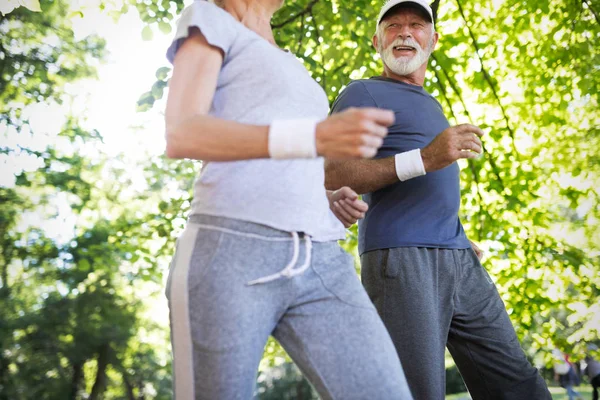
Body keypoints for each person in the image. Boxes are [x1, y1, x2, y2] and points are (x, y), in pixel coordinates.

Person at [162, 0, 413, 398]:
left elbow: (285, 156)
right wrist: (312, 136)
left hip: (321, 258)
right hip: (231, 249)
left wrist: (324, 195)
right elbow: (182, 133)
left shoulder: (290, 60)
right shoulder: (210, 18)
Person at [324, 0, 552, 399]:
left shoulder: (430, 103)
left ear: (434, 39)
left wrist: (457, 234)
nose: (405, 33)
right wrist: (426, 158)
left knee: (517, 382)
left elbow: (429, 190)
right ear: (376, 41)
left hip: (459, 256)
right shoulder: (363, 92)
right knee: (417, 391)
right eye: (393, 26)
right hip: (402, 257)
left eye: (416, 25)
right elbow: (333, 171)